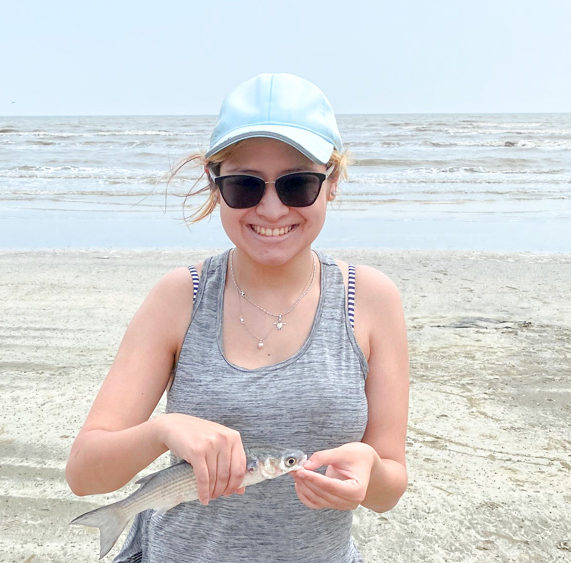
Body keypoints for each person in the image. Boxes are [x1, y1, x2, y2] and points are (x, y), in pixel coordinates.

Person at [65, 73, 409, 562]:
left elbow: (390, 486)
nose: (271, 209)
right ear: (215, 184)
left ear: (332, 183)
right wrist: (164, 430)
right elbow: (84, 472)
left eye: (298, 183)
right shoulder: (180, 296)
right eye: (246, 185)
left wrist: (370, 471)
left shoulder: (370, 298)